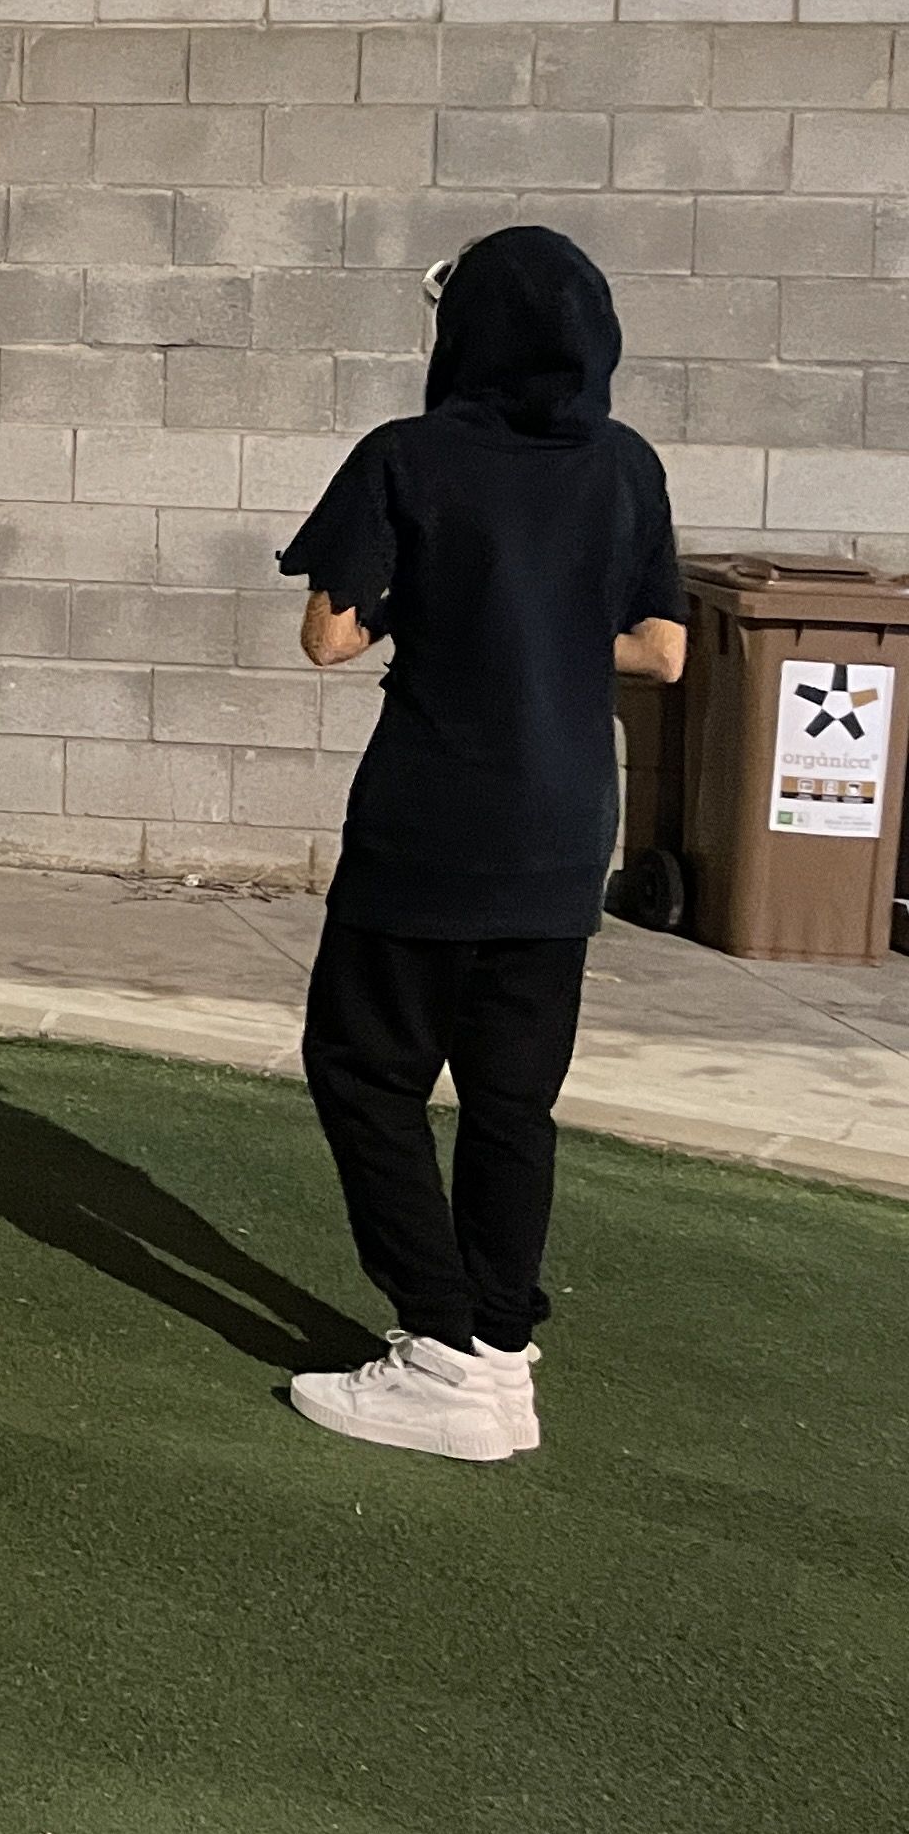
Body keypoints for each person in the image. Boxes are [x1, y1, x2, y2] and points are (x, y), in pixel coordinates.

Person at [277, 227, 686, 1464]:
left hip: (433, 819)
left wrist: (452, 614)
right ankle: (502, 1352)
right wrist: (544, 627)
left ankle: (441, 1348)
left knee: (365, 1071)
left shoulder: (406, 456)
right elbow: (662, 650)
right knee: (513, 1102)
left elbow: (330, 636)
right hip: (563, 830)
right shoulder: (627, 465)